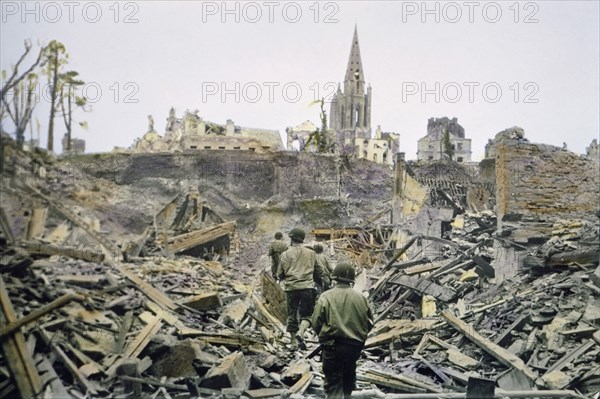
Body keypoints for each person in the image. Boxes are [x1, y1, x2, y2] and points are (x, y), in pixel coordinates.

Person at [312, 263, 373, 399]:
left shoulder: (326, 296)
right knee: (348, 382)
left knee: (333, 385)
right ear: (352, 280)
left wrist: (323, 337)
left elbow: (316, 322)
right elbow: (369, 323)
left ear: (335, 278)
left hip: (333, 346)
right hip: (354, 347)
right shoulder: (361, 298)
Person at [277, 227, 324, 349]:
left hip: (291, 288)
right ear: (302, 239)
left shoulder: (284, 254)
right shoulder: (311, 253)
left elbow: (279, 274)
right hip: (307, 288)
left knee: (292, 315)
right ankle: (301, 333)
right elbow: (320, 270)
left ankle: (293, 342)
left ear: (291, 238)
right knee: (307, 315)